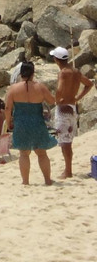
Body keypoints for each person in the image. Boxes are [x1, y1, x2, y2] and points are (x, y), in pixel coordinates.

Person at [4, 60, 57, 186]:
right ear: (33, 73)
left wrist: (8, 122)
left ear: (21, 73)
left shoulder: (13, 89)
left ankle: (25, 181)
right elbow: (51, 100)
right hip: (37, 123)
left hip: (21, 123)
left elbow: (7, 108)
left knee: (24, 153)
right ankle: (47, 180)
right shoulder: (40, 87)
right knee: (42, 153)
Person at [50, 46, 93, 177]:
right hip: (73, 107)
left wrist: (56, 100)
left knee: (64, 142)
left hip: (63, 108)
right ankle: (68, 169)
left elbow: (59, 89)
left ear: (56, 60)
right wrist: (77, 98)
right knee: (68, 140)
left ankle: (68, 171)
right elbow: (89, 84)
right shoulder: (76, 71)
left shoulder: (63, 72)